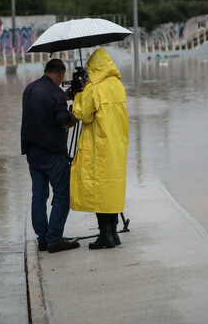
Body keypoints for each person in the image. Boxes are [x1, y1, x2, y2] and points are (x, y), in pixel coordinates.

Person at [70, 48, 129, 249]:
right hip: (116, 146)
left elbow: (81, 113)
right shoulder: (117, 85)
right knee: (111, 188)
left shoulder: (94, 88)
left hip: (98, 147)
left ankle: (105, 235)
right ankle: (113, 233)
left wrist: (79, 94)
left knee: (99, 190)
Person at [21, 58, 80, 253]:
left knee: (38, 196)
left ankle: (43, 239)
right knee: (62, 195)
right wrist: (77, 114)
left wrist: (64, 97)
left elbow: (43, 109)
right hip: (54, 154)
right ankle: (54, 239)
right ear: (61, 74)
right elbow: (63, 121)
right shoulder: (55, 93)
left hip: (33, 153)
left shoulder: (29, 89)